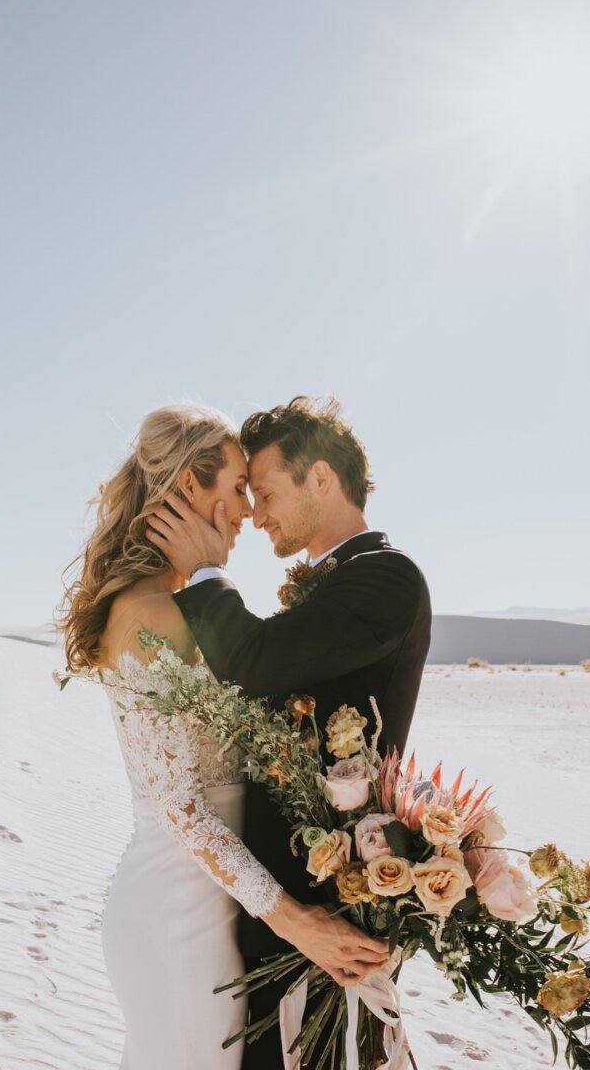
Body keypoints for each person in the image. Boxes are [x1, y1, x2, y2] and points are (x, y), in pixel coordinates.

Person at [58, 403, 390, 1070]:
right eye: (237, 487)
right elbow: (180, 806)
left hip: (213, 905)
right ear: (187, 488)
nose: (246, 510)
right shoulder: (150, 612)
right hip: (179, 914)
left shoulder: (180, 607)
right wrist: (296, 920)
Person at [147, 395, 432, 1070]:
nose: (257, 511)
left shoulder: (386, 578)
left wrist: (205, 570)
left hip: (323, 918)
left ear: (323, 480)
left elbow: (253, 662)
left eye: (266, 490)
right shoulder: (332, 587)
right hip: (280, 910)